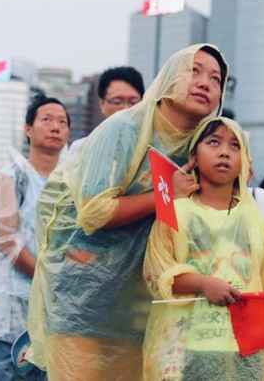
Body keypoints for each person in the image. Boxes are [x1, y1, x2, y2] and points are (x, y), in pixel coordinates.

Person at [27, 44, 229, 380]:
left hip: (142, 300)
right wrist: (167, 195)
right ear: (168, 77)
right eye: (194, 70)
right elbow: (94, 212)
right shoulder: (124, 129)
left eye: (216, 78)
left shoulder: (204, 144)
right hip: (83, 295)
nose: (205, 82)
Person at [143, 117, 264, 380]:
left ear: (245, 160)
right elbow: (155, 271)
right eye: (214, 142)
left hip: (247, 348)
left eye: (234, 146)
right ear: (194, 154)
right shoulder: (175, 211)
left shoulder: (253, 218)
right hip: (186, 346)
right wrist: (202, 283)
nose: (224, 152)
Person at [0, 96, 70, 381]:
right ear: (28, 129)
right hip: (15, 296)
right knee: (3, 370)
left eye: (63, 122)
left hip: (58, 299)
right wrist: (46, 274)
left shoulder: (73, 180)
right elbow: (7, 240)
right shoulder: (11, 176)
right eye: (47, 119)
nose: (55, 127)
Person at [69, 66, 145, 155]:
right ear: (102, 104)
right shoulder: (81, 148)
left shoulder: (153, 149)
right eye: (117, 102)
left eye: (133, 102)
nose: (126, 109)